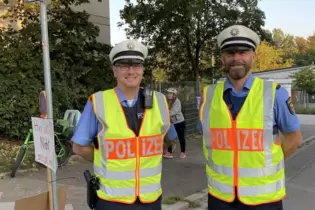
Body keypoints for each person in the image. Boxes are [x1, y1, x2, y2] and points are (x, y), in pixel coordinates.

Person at [197, 25, 303, 210]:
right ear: (223, 57)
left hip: (264, 200)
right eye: (230, 53)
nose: (236, 58)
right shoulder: (208, 96)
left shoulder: (274, 94)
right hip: (220, 198)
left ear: (253, 55)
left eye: (243, 52)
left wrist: (268, 166)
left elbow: (294, 139)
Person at [71, 39, 177, 210]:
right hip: (111, 200)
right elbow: (78, 147)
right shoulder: (98, 102)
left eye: (136, 65)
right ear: (114, 70)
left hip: (150, 200)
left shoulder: (160, 101)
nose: (130, 71)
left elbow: (169, 139)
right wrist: (104, 159)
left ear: (143, 70)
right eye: (123, 65)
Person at [163, 88, 187, 159]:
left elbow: (173, 112)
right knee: (169, 137)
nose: (169, 95)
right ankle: (169, 152)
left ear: (174, 95)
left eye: (170, 93)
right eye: (168, 93)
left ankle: (183, 152)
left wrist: (164, 115)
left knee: (181, 137)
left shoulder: (177, 101)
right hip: (170, 122)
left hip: (179, 122)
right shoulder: (166, 101)